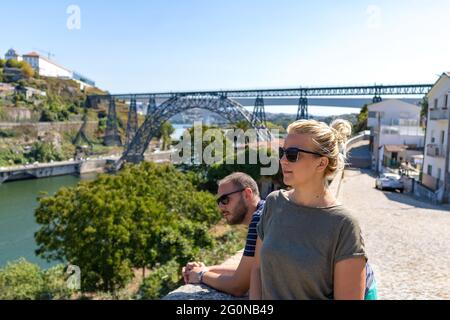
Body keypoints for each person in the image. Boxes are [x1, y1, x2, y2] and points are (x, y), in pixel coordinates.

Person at [250, 119, 378, 300]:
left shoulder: (343, 224)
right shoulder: (273, 203)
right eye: (282, 152)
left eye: (293, 154)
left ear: (321, 163)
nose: (283, 160)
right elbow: (256, 269)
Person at [182, 172, 265, 297]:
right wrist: (207, 269)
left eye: (225, 199)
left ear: (247, 194)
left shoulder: (259, 219)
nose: (220, 207)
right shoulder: (265, 212)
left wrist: (201, 276)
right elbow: (245, 272)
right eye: (219, 202)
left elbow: (237, 286)